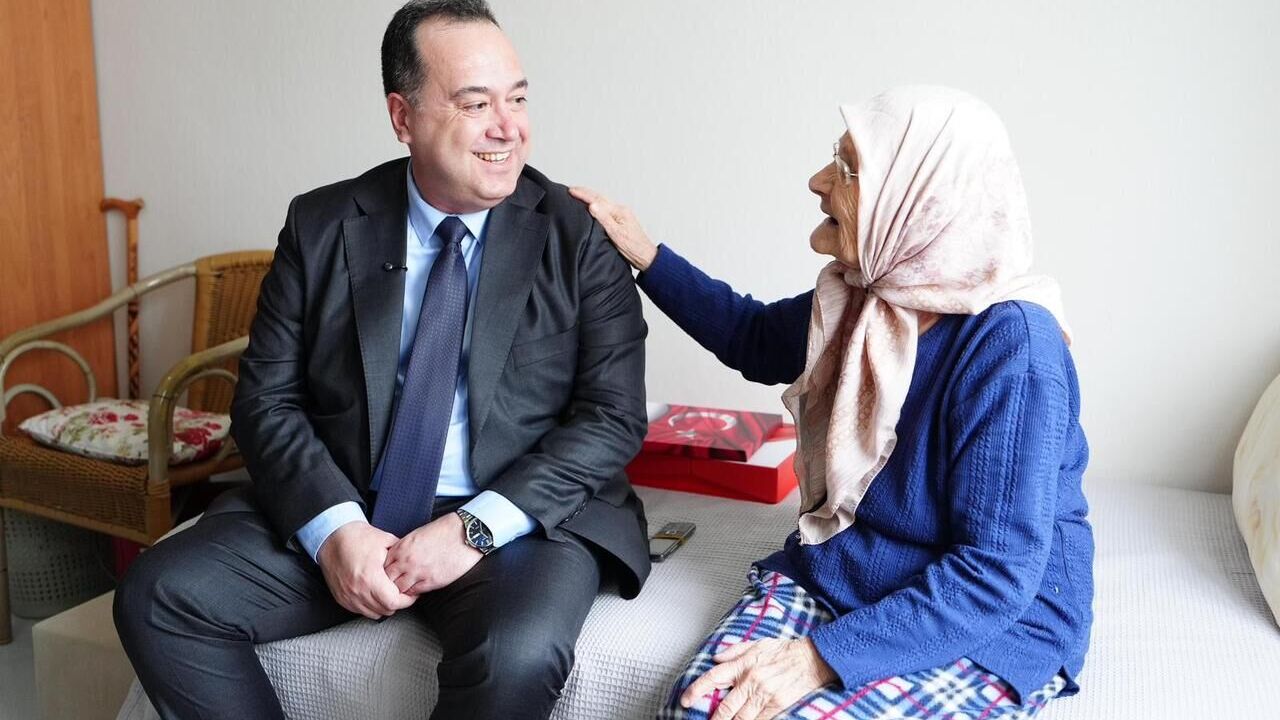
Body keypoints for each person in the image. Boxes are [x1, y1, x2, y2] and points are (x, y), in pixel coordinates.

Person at [112, 2, 651, 718]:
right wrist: (335, 528)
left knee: (516, 654)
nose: (508, 127)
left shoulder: (577, 237)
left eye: (518, 99)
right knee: (157, 596)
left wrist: (473, 529)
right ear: (403, 117)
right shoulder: (321, 223)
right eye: (476, 104)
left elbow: (612, 417)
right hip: (353, 497)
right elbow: (265, 400)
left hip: (512, 521)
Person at [570, 86, 1092, 720]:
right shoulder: (867, 297)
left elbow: (995, 573)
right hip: (850, 568)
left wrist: (819, 657)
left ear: (918, 199)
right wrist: (646, 256)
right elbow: (753, 337)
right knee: (700, 709)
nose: (818, 181)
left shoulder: (1014, 347)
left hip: (986, 618)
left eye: (848, 168)